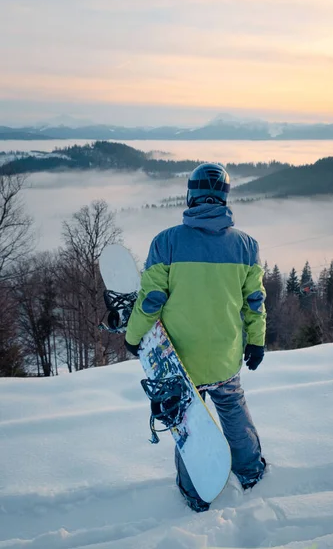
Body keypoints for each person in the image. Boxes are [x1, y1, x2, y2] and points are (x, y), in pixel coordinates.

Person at [125, 163, 267, 512]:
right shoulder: (246, 246)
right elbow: (255, 302)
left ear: (190, 195)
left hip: (181, 360)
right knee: (232, 408)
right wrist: (257, 341)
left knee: (190, 423)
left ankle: (193, 491)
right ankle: (250, 471)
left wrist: (133, 336)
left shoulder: (167, 242)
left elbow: (151, 300)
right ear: (224, 197)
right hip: (225, 354)